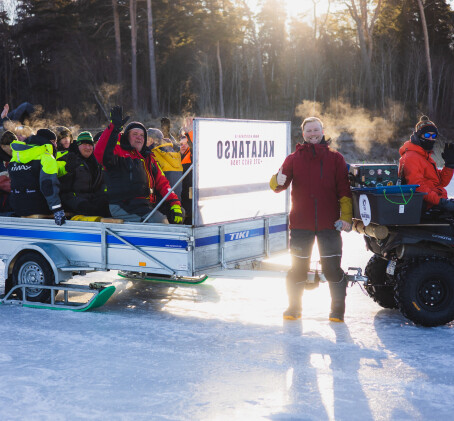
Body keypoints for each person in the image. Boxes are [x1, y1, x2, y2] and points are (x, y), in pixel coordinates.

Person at [270, 117, 352, 322]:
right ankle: (294, 308)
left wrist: (346, 218)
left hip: (329, 225)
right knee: (297, 269)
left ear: (322, 131)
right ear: (303, 134)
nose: (313, 134)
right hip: (300, 225)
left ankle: (337, 310)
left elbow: (344, 191)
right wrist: (276, 180)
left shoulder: (336, 158)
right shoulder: (293, 158)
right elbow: (277, 187)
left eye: (316, 130)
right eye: (309, 131)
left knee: (331, 269)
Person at [94, 106, 183, 224]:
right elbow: (100, 153)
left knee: (179, 213)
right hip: (123, 205)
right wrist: (114, 129)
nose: (139, 137)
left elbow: (163, 183)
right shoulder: (119, 153)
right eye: (135, 134)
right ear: (127, 137)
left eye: (142, 135)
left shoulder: (149, 158)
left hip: (145, 205)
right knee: (159, 221)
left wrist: (174, 203)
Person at [8, 128, 66, 225]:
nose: (55, 145)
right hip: (39, 207)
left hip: (17, 207)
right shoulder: (46, 156)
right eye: (53, 142)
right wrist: (57, 209)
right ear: (46, 141)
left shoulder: (16, 156)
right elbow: (48, 185)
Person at [399, 115, 454, 212]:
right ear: (419, 135)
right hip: (423, 205)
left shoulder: (425, 156)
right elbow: (417, 187)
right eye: (427, 135)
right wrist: (441, 202)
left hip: (435, 201)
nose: (431, 139)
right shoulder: (412, 157)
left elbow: (440, 182)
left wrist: (449, 165)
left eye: (434, 136)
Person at [58, 131, 110, 217]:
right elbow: (63, 189)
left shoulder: (96, 162)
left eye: (90, 145)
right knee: (89, 210)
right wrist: (67, 170)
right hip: (72, 200)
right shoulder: (68, 158)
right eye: (84, 144)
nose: (88, 148)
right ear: (78, 145)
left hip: (91, 199)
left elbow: (99, 187)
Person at [148, 128, 183, 199]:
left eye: (146, 139)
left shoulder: (152, 154)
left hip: (161, 200)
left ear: (151, 140)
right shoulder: (174, 152)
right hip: (176, 201)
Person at [180, 132, 193, 224]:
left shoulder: (192, 155)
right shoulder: (177, 157)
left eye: (186, 144)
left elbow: (195, 147)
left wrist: (189, 134)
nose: (183, 146)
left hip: (191, 195)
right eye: (181, 144)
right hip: (181, 195)